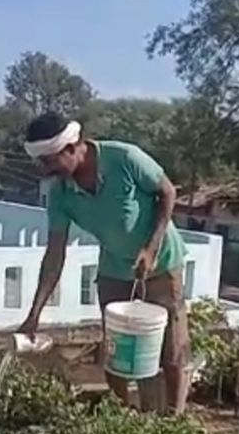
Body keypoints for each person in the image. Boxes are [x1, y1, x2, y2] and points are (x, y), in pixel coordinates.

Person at [16, 112, 191, 414]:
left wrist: (150, 249)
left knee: (171, 351)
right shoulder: (60, 194)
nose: (45, 170)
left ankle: (174, 420)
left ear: (72, 147)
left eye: (49, 161)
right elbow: (54, 255)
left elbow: (167, 192)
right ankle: (126, 416)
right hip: (114, 270)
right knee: (116, 353)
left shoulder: (124, 158)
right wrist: (34, 314)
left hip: (161, 264)